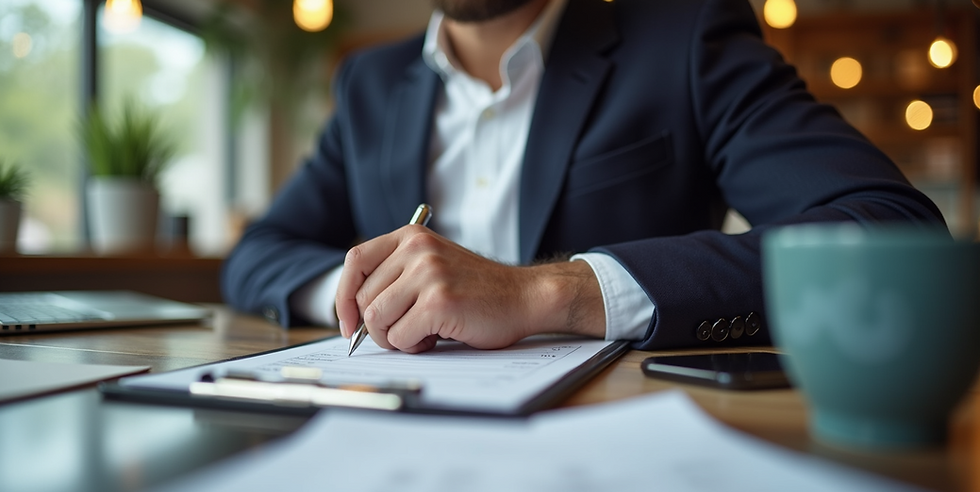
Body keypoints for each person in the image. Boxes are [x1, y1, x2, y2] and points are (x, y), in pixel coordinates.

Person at [221, 0, 945, 353]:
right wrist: (372, 293)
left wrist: (543, 292)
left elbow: (891, 228)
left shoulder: (687, 39)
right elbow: (257, 253)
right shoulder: (369, 85)